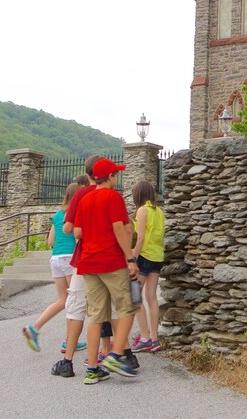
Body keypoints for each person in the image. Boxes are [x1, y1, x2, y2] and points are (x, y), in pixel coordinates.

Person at [74, 158, 140, 384]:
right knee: (128, 307)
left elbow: (77, 233)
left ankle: (92, 369)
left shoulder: (85, 199)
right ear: (110, 176)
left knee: (96, 316)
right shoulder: (113, 197)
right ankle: (115, 354)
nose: (117, 178)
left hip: (89, 263)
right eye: (116, 174)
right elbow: (119, 229)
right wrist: (130, 257)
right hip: (111, 261)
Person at [50, 157, 100, 379]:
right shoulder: (111, 195)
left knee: (75, 306)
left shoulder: (80, 196)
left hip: (82, 258)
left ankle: (67, 361)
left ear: (86, 173)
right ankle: (102, 359)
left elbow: (71, 228)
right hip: (105, 258)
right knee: (103, 310)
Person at [22, 182, 85, 353]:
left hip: (55, 258)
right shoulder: (76, 213)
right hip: (71, 257)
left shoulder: (57, 214)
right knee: (73, 301)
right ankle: (68, 341)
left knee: (62, 300)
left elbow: (50, 241)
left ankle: (34, 328)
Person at [129, 180, 165, 353]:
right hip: (157, 257)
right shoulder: (159, 211)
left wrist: (132, 258)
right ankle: (154, 338)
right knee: (151, 297)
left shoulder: (142, 210)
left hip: (143, 257)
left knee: (134, 295)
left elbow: (140, 237)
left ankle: (144, 337)